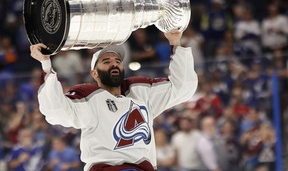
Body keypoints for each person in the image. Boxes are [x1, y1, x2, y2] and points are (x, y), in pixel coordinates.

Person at [30, 31, 198, 171]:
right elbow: (55, 111)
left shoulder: (141, 92)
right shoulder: (89, 99)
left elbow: (183, 88)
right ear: (94, 73)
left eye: (118, 61)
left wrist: (175, 41)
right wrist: (46, 64)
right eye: (106, 62)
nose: (114, 64)